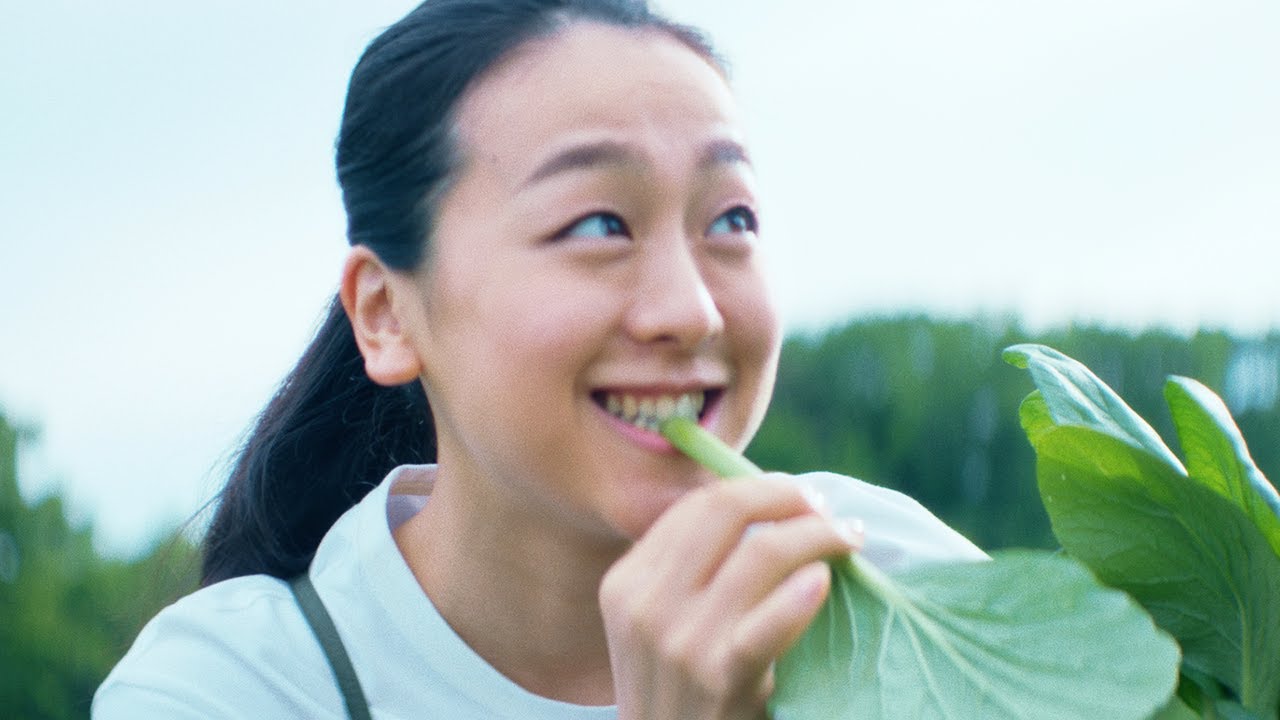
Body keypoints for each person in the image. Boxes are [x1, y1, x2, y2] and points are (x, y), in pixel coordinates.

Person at [94, 0, 985, 717]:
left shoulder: (896, 580)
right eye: (598, 224)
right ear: (387, 313)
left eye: (730, 220)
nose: (691, 309)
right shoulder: (233, 688)